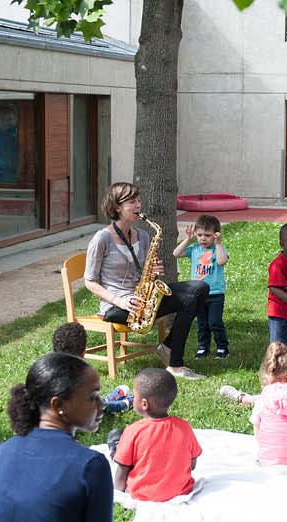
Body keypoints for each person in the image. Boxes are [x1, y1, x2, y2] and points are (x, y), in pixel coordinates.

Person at [0, 352, 116, 522]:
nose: (101, 405)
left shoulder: (3, 451)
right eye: (92, 397)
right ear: (58, 404)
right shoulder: (90, 466)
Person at [83, 182, 209, 381]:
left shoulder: (141, 235)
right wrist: (120, 301)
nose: (138, 205)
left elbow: (142, 271)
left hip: (142, 297)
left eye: (138, 200)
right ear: (117, 207)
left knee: (200, 288)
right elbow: (89, 282)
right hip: (117, 306)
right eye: (132, 201)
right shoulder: (101, 239)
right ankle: (175, 363)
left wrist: (153, 272)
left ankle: (167, 346)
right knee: (188, 300)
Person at [111, 368, 202, 502]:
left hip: (140, 494)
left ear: (144, 404)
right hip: (180, 492)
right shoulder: (184, 427)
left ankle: (115, 448)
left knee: (119, 447)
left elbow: (122, 470)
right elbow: (192, 464)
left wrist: (117, 495)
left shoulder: (133, 431)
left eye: (134, 396)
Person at [172, 214, 229, 359]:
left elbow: (222, 261)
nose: (203, 238)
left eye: (208, 235)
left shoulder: (218, 248)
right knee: (202, 323)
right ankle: (203, 347)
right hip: (198, 294)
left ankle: (222, 347)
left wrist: (218, 243)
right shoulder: (195, 248)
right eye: (200, 235)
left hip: (215, 293)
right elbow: (176, 253)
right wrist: (188, 239)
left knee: (215, 322)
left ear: (216, 235)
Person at [50, 321, 133, 415]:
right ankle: (123, 404)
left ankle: (107, 399)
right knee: (100, 406)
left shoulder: (46, 370)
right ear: (83, 353)